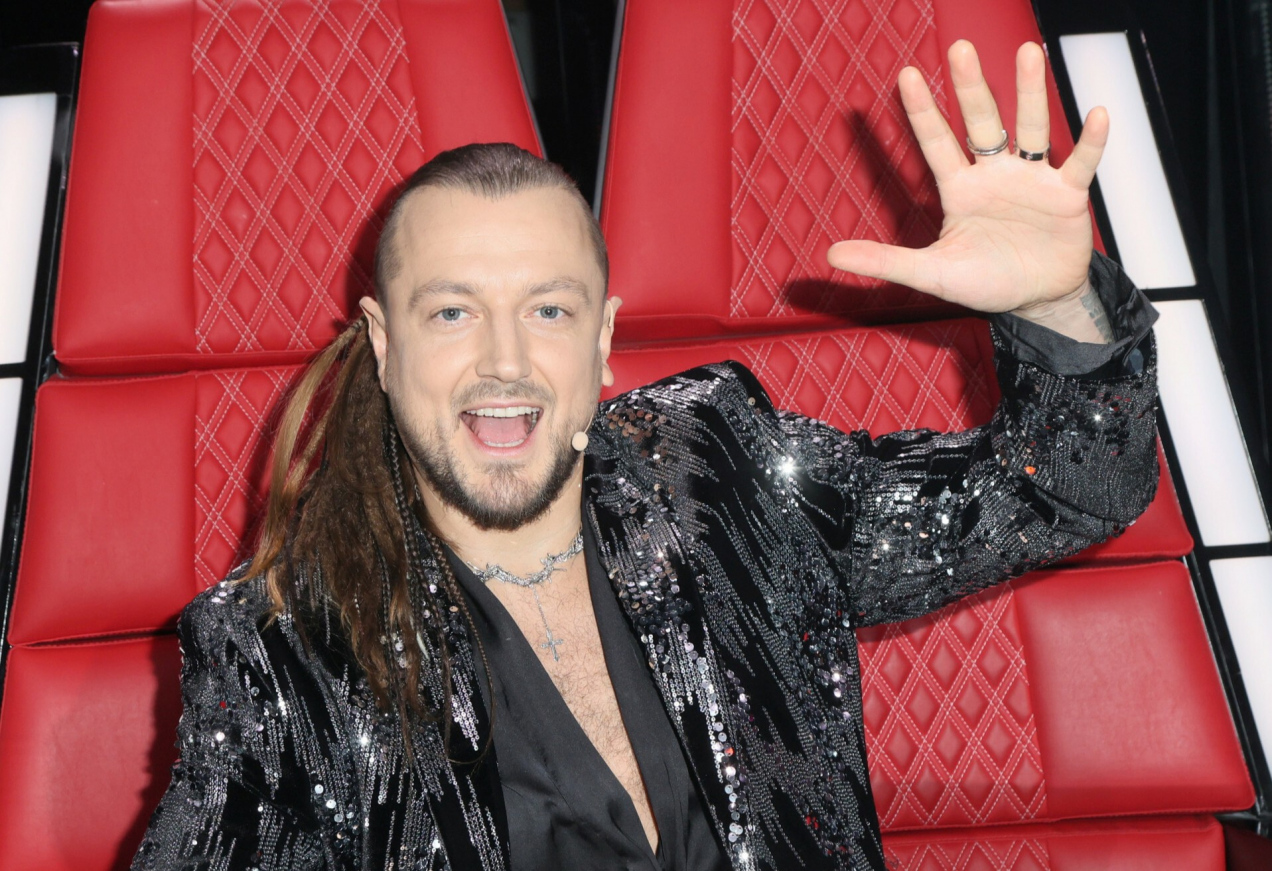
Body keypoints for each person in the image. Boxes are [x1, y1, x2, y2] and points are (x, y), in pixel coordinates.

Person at [132, 41, 1159, 870]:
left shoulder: (724, 468)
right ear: (385, 345)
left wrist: (1055, 305)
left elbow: (1068, 494)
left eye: (548, 309)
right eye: (452, 312)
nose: (504, 360)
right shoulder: (279, 651)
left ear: (603, 341)